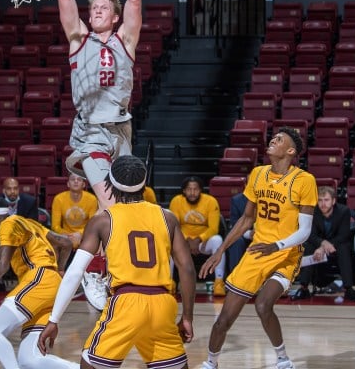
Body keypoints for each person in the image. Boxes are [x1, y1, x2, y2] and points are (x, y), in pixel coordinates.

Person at [37, 155, 195, 369]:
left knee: (90, 365)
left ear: (111, 183)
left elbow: (75, 272)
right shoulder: (167, 217)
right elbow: (187, 268)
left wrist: (54, 319)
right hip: (163, 304)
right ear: (144, 183)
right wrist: (187, 317)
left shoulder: (103, 220)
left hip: (126, 302)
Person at [199, 126, 316, 369]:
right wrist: (221, 250)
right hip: (258, 251)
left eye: (280, 139)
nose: (273, 140)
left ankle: (283, 360)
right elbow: (246, 219)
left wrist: (277, 246)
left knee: (263, 305)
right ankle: (211, 363)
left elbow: (304, 232)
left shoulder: (304, 180)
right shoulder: (258, 174)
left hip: (286, 254)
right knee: (224, 319)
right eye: (274, 137)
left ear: (291, 150)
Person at [56, 0, 142, 212]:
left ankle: (104, 255)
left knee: (125, 204)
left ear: (115, 17)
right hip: (90, 128)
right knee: (109, 204)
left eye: (103, 8)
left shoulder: (125, 41)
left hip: (121, 127)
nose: (96, 11)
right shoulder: (79, 39)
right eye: (93, 8)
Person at [0, 195, 76, 369]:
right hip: (50, 285)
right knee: (29, 360)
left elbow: (2, 265)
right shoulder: (29, 223)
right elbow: (65, 243)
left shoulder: (7, 225)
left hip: (39, 280)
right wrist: (60, 271)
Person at [291, 186, 355, 302]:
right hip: (317, 243)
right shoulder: (312, 212)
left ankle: (349, 289)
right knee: (307, 246)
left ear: (333, 201)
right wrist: (322, 244)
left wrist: (325, 247)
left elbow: (344, 235)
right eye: (320, 200)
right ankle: (303, 288)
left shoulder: (343, 211)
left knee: (344, 247)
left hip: (337, 244)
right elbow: (310, 234)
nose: (323, 204)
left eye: (326, 200)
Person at [169, 176, 226, 296]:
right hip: (183, 242)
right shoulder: (176, 201)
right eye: (189, 189)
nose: (192, 193)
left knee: (218, 240)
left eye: (195, 189)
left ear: (201, 190)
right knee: (169, 240)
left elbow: (214, 228)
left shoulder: (210, 201)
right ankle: (169, 283)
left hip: (203, 242)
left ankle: (219, 282)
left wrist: (199, 239)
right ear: (184, 191)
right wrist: (187, 239)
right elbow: (174, 226)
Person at [0, 177, 41, 288]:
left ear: (19, 189)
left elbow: (33, 223)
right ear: (4, 190)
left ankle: (28, 280)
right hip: (1, 235)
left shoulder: (30, 201)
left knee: (31, 243)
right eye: (9, 189)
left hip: (22, 235)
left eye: (15, 188)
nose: (13, 191)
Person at [51, 173, 98, 250]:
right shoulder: (59, 199)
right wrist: (66, 235)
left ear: (83, 184)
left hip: (84, 236)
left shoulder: (92, 200)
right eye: (73, 179)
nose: (76, 181)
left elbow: (92, 225)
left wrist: (80, 234)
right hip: (64, 236)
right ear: (68, 184)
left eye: (79, 179)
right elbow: (55, 226)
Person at [226, 192, 252, 274]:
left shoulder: (271, 197)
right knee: (236, 241)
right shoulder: (237, 200)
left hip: (266, 233)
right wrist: (250, 234)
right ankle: (235, 277)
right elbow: (234, 225)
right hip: (245, 235)